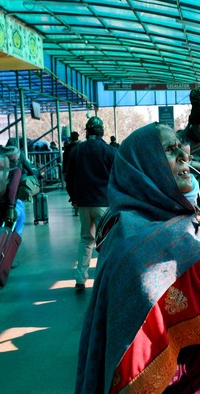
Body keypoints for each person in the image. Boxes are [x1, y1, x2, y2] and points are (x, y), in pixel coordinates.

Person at [75, 123, 200, 393]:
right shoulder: (128, 239)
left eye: (182, 148)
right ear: (144, 166)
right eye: (169, 149)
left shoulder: (185, 218)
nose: (184, 156)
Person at [65, 116, 117, 291]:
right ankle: (107, 279)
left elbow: (68, 178)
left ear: (87, 132)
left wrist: (74, 198)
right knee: (109, 241)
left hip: (84, 203)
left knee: (86, 240)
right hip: (104, 204)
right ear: (101, 132)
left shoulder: (76, 151)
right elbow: (118, 178)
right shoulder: (110, 152)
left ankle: (80, 278)